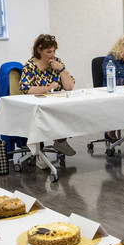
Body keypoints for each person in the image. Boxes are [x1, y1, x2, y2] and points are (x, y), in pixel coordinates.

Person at [19, 34, 76, 164]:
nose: (52, 55)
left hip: (54, 104)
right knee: (40, 117)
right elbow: (26, 89)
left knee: (67, 110)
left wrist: (61, 69)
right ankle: (40, 151)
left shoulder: (57, 63)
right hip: (36, 105)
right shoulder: (30, 66)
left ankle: (61, 141)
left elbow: (69, 86)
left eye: (54, 51)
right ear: (39, 50)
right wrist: (47, 87)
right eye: (48, 51)